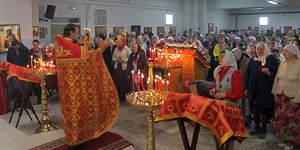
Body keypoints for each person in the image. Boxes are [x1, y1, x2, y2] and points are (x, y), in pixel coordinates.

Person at [55, 23, 119, 149]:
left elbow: (81, 61)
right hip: (75, 90)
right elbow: (90, 57)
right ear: (71, 32)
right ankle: (75, 143)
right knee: (76, 114)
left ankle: (76, 139)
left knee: (72, 114)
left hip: (67, 89)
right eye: (77, 32)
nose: (78, 34)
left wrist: (86, 48)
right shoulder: (68, 45)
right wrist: (105, 45)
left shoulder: (61, 46)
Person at [245, 42, 279, 139]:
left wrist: (269, 73)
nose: (259, 51)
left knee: (264, 109)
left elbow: (276, 75)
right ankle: (256, 127)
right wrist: (246, 87)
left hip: (266, 89)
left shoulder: (272, 59)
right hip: (254, 88)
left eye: (261, 49)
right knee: (255, 109)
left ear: (266, 49)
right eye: (258, 49)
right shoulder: (253, 60)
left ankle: (263, 129)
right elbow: (248, 74)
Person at [272, 44, 300, 150]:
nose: (283, 53)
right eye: (283, 51)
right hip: (281, 96)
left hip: (292, 97)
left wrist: (297, 99)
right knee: (281, 118)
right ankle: (284, 138)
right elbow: (277, 79)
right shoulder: (283, 63)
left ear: (293, 53)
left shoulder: (298, 64)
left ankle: (291, 141)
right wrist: (275, 93)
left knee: (292, 120)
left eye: (286, 51)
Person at [232, 48, 251, 126]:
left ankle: (246, 121)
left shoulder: (246, 62)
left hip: (244, 85)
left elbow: (248, 75)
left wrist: (247, 87)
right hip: (237, 86)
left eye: (235, 56)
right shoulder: (235, 62)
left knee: (245, 104)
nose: (234, 58)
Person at [112, 32, 132, 101]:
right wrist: (116, 59)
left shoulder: (127, 49)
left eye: (121, 42)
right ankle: (118, 95)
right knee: (117, 81)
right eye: (119, 42)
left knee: (123, 82)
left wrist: (123, 60)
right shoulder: (116, 49)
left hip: (124, 68)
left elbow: (130, 58)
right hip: (117, 67)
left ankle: (124, 96)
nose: (119, 43)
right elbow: (113, 58)